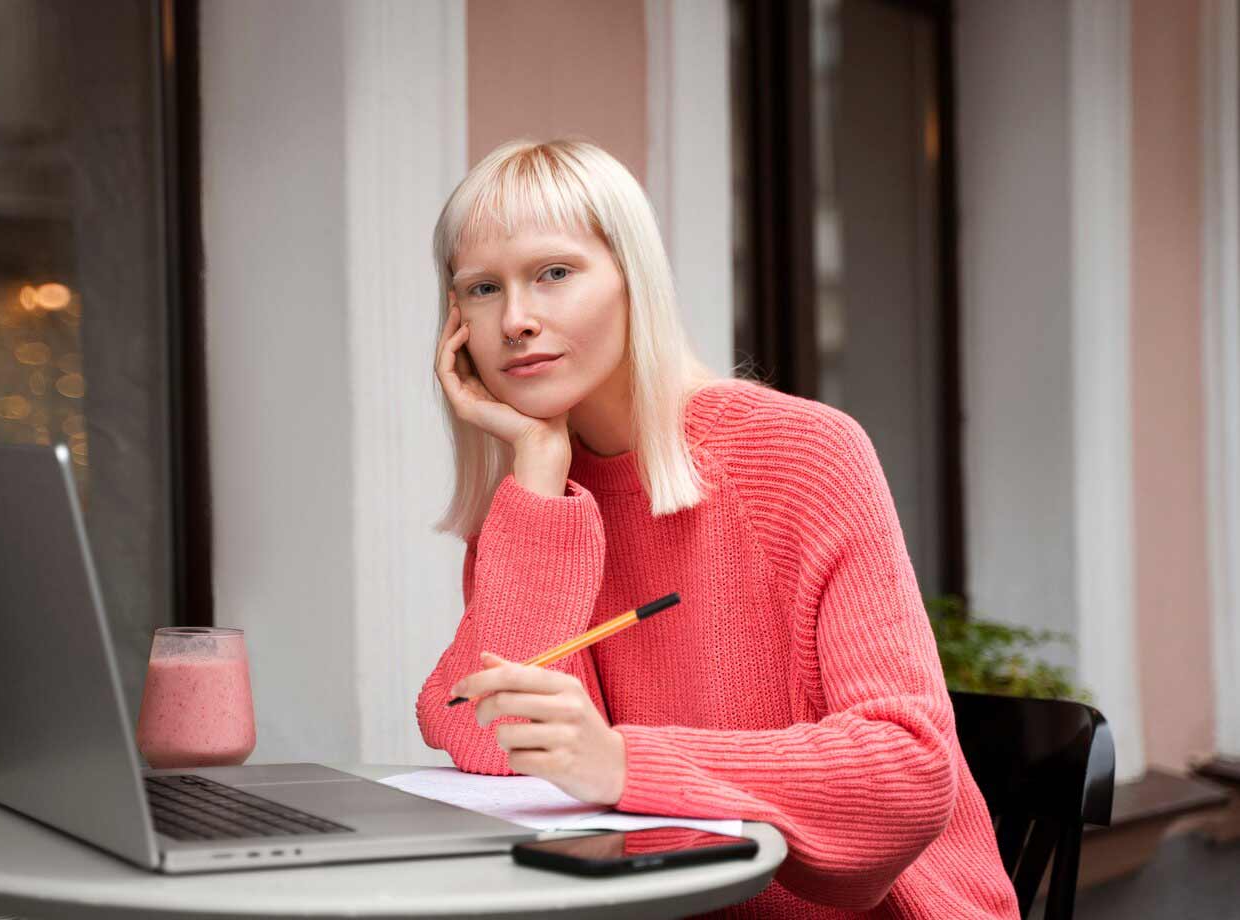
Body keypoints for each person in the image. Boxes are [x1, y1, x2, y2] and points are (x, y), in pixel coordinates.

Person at [416, 137, 1018, 919]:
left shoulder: (805, 454)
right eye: (483, 289)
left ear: (635, 279)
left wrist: (626, 763)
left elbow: (907, 771)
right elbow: (486, 742)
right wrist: (533, 462)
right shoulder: (538, 508)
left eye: (554, 273)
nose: (518, 320)